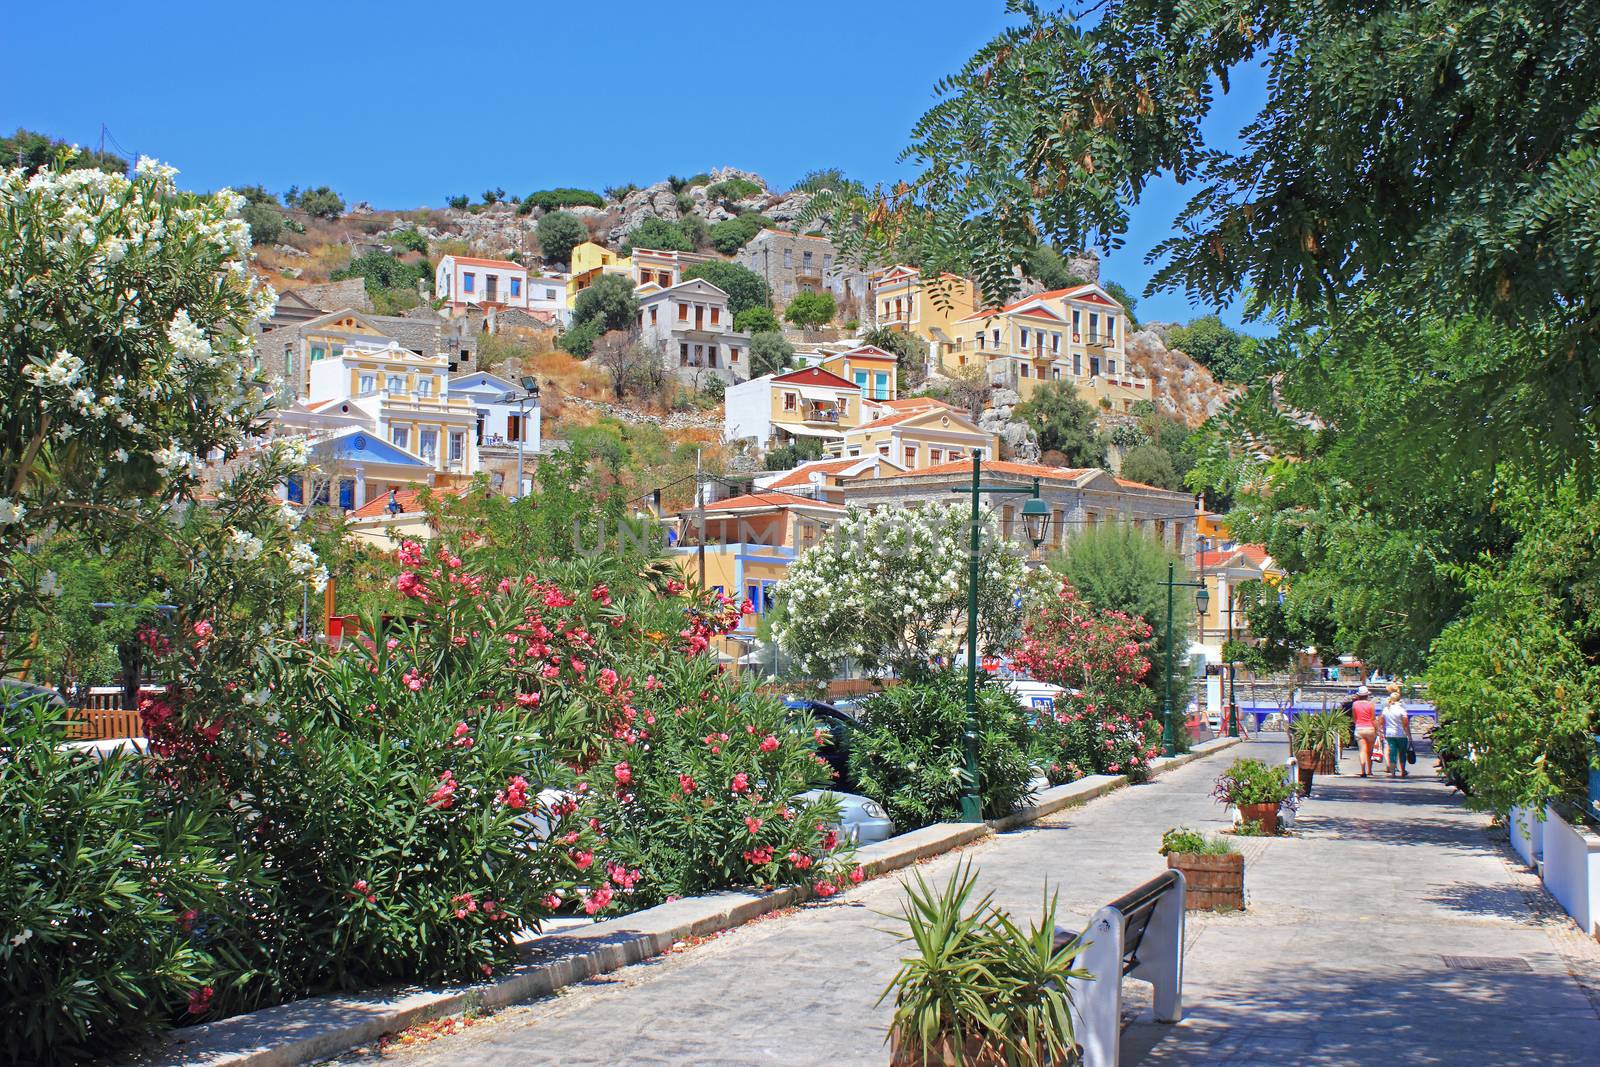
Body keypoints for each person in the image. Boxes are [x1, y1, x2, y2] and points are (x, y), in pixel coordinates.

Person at [1381, 683, 1411, 779]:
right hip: (1401, 733)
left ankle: (1393, 772)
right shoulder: (1402, 710)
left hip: (1389, 734)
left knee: (1392, 752)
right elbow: (1405, 724)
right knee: (1402, 752)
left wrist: (1381, 731)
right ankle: (1402, 771)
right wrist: (1409, 735)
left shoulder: (1386, 709)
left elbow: (1381, 721)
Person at [1351, 685, 1379, 777]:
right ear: (1367, 695)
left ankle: (1363, 770)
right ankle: (1369, 770)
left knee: (1362, 750)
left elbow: (1354, 718)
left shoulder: (1355, 704)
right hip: (1370, 728)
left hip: (1359, 728)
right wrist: (1377, 729)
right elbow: (1373, 718)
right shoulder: (1371, 704)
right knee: (1370, 751)